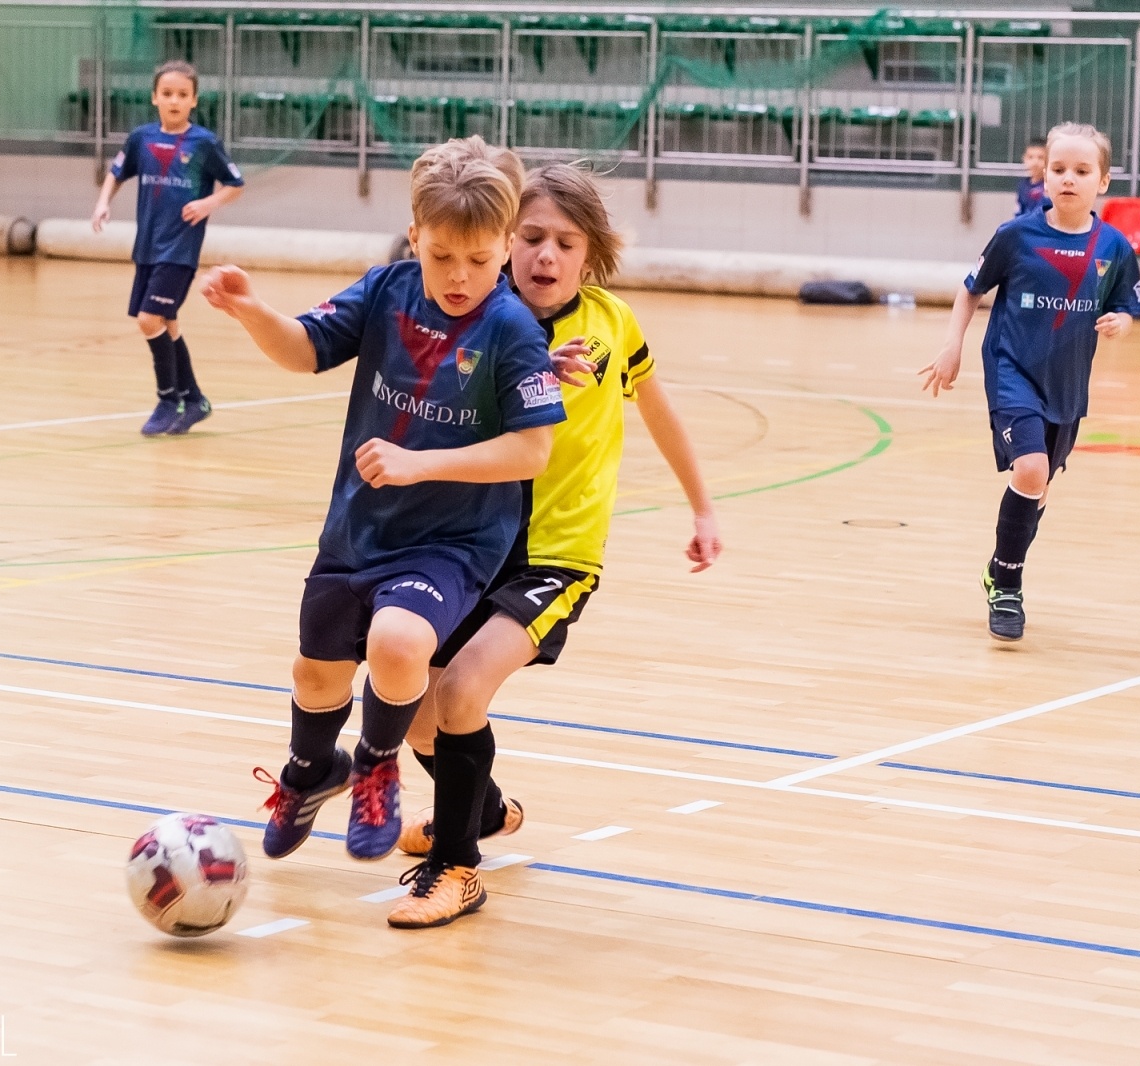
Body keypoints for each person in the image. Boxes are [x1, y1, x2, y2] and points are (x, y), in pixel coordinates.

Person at [197, 137, 567, 876]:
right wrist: (249, 310)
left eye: (479, 259)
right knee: (314, 676)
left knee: (398, 645)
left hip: (454, 543)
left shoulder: (512, 331)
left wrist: (419, 462)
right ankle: (312, 771)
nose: (459, 277)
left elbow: (532, 452)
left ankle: (374, 764)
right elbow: (305, 350)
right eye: (441, 257)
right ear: (414, 234)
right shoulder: (388, 290)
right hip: (358, 531)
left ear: (503, 244)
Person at [386, 163, 723, 930]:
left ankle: (458, 866)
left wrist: (702, 508)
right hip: (470, 544)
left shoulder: (612, 325)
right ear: (504, 243)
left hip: (557, 554)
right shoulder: (479, 320)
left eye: (564, 242)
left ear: (590, 252)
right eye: (531, 238)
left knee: (464, 690)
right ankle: (484, 810)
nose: (545, 255)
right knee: (417, 707)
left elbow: (661, 416)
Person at [920, 122, 1140, 642]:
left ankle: (1000, 565)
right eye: (1058, 169)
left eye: (1082, 171)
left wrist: (1122, 322)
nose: (1068, 178)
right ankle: (1008, 587)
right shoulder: (1016, 235)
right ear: (1044, 176)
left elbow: (1127, 305)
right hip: (1011, 370)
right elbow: (970, 289)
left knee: (1038, 488)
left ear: (1103, 181)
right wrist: (952, 345)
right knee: (1030, 469)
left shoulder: (1113, 246)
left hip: (1065, 384)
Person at [92, 60, 245, 436]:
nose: (174, 101)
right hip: (147, 246)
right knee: (168, 323)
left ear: (194, 101)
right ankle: (194, 400)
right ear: (154, 97)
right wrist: (102, 203)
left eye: (182, 95)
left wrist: (208, 204)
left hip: (179, 250)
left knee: (149, 320)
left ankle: (167, 399)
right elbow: (115, 173)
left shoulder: (204, 143)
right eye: (167, 93)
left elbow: (236, 183)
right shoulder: (141, 138)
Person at [1016, 139, 1047, 216]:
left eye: (1040, 158)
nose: (1035, 162)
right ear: (1024, 159)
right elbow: (1019, 210)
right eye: (1030, 157)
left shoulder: (1049, 186)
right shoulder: (1023, 185)